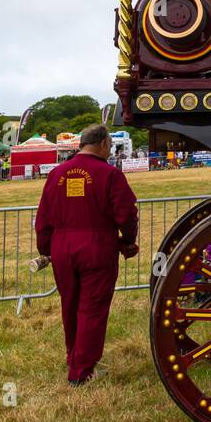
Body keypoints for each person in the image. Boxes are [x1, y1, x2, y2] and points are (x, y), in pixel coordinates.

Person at [34, 124, 139, 385]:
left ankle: (75, 358)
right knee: (92, 307)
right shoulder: (110, 174)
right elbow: (126, 214)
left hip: (62, 246)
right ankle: (82, 370)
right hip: (97, 244)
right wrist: (127, 242)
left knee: (70, 305)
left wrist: (46, 249)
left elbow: (43, 217)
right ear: (103, 144)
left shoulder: (57, 174)